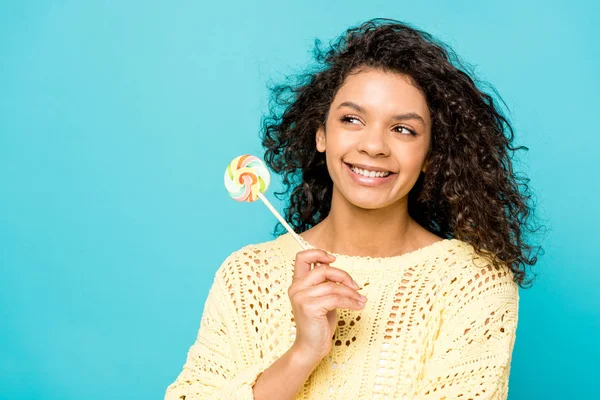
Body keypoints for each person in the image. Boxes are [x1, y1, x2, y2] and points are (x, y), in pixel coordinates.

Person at [164, 18, 542, 400]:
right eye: (352, 119)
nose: (374, 145)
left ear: (431, 155)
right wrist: (303, 353)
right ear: (321, 133)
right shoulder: (246, 277)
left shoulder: (474, 283)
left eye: (403, 129)